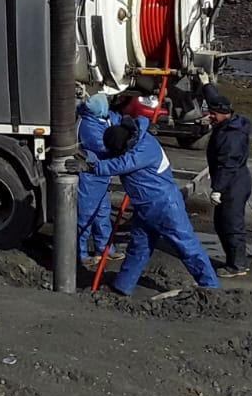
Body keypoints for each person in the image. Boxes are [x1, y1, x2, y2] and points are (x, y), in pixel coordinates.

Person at [86, 113, 220, 295]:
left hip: (165, 206)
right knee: (138, 248)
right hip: (145, 208)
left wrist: (92, 167)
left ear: (124, 146)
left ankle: (210, 286)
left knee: (186, 246)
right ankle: (123, 286)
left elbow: (120, 164)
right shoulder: (133, 139)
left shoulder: (144, 148)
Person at [203, 81, 252, 278]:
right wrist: (206, 85)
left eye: (213, 114)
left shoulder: (232, 137)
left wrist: (217, 189)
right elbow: (214, 98)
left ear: (224, 113)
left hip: (233, 184)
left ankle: (238, 265)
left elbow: (228, 165)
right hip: (233, 180)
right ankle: (234, 260)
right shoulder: (228, 124)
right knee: (221, 223)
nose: (210, 116)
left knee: (231, 224)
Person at [76, 94, 122, 269]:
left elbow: (118, 120)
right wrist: (122, 144)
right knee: (85, 216)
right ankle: (80, 253)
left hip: (102, 175)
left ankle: (105, 248)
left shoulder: (104, 119)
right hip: (91, 176)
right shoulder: (88, 125)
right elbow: (105, 146)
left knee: (103, 213)